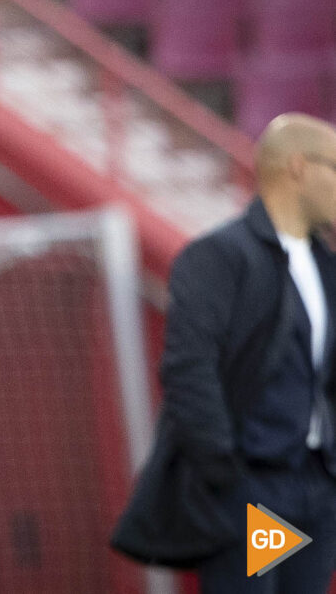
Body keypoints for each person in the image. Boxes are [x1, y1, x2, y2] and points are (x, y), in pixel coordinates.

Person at [112, 113, 336, 592]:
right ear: (298, 166)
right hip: (257, 487)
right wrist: (227, 474)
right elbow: (188, 368)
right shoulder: (221, 255)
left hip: (315, 486)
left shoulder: (324, 265)